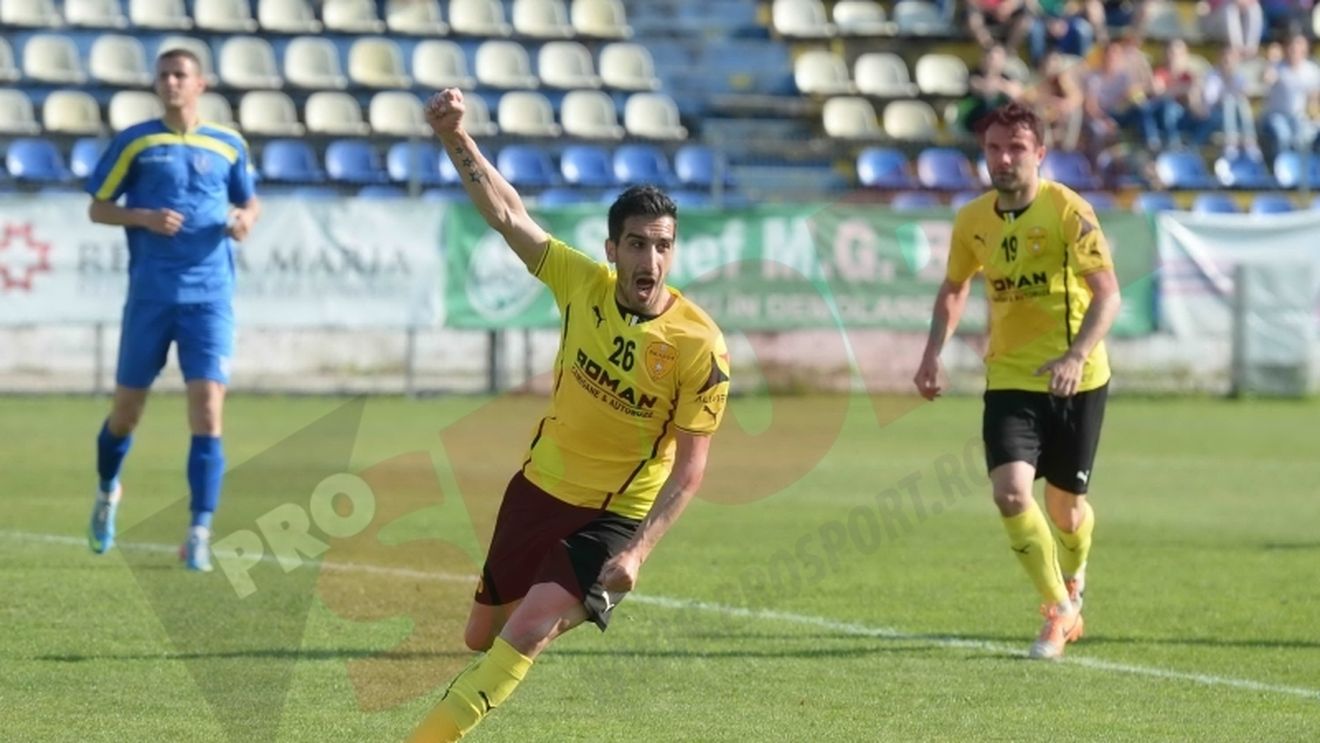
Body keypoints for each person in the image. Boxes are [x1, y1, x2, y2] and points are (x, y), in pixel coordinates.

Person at [408, 88, 731, 741]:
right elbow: (506, 213)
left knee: (526, 630)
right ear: (611, 250)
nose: (651, 260)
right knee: (483, 635)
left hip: (613, 515)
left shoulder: (700, 346)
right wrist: (453, 137)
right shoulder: (581, 283)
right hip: (538, 487)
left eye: (663, 245)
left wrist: (638, 551)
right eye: (636, 244)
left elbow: (692, 469)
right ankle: (549, 611)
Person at [913, 101, 1121, 660]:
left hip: (1077, 379)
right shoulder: (972, 220)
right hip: (1009, 378)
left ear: (1040, 154)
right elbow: (954, 289)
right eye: (994, 149)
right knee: (1010, 493)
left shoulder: (1068, 211)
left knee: (1066, 509)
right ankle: (1059, 610)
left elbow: (1108, 295)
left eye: (1016, 149)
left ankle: (1075, 577)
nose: (1003, 159)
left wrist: (1077, 354)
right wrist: (933, 353)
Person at [84, 48, 260, 572]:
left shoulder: (228, 143)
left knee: (207, 411)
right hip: (151, 297)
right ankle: (107, 490)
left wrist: (246, 219)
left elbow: (249, 200)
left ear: (199, 84)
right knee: (126, 413)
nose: (170, 83)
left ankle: (199, 530)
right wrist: (141, 216)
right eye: (163, 75)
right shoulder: (137, 141)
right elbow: (97, 206)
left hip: (210, 299)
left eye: (179, 75)